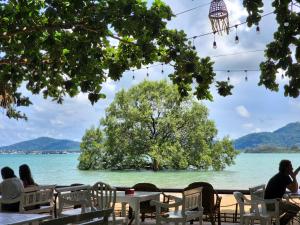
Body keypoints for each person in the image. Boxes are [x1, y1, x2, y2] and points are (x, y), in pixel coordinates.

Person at [265, 159, 300, 225]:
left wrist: (294, 177)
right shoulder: (283, 177)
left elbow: (294, 188)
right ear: (286, 168)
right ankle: (278, 223)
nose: (292, 168)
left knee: (293, 207)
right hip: (271, 204)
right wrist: (294, 177)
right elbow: (294, 190)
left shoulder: (282, 175)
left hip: (272, 202)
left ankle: (278, 223)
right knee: (296, 208)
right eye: (290, 166)